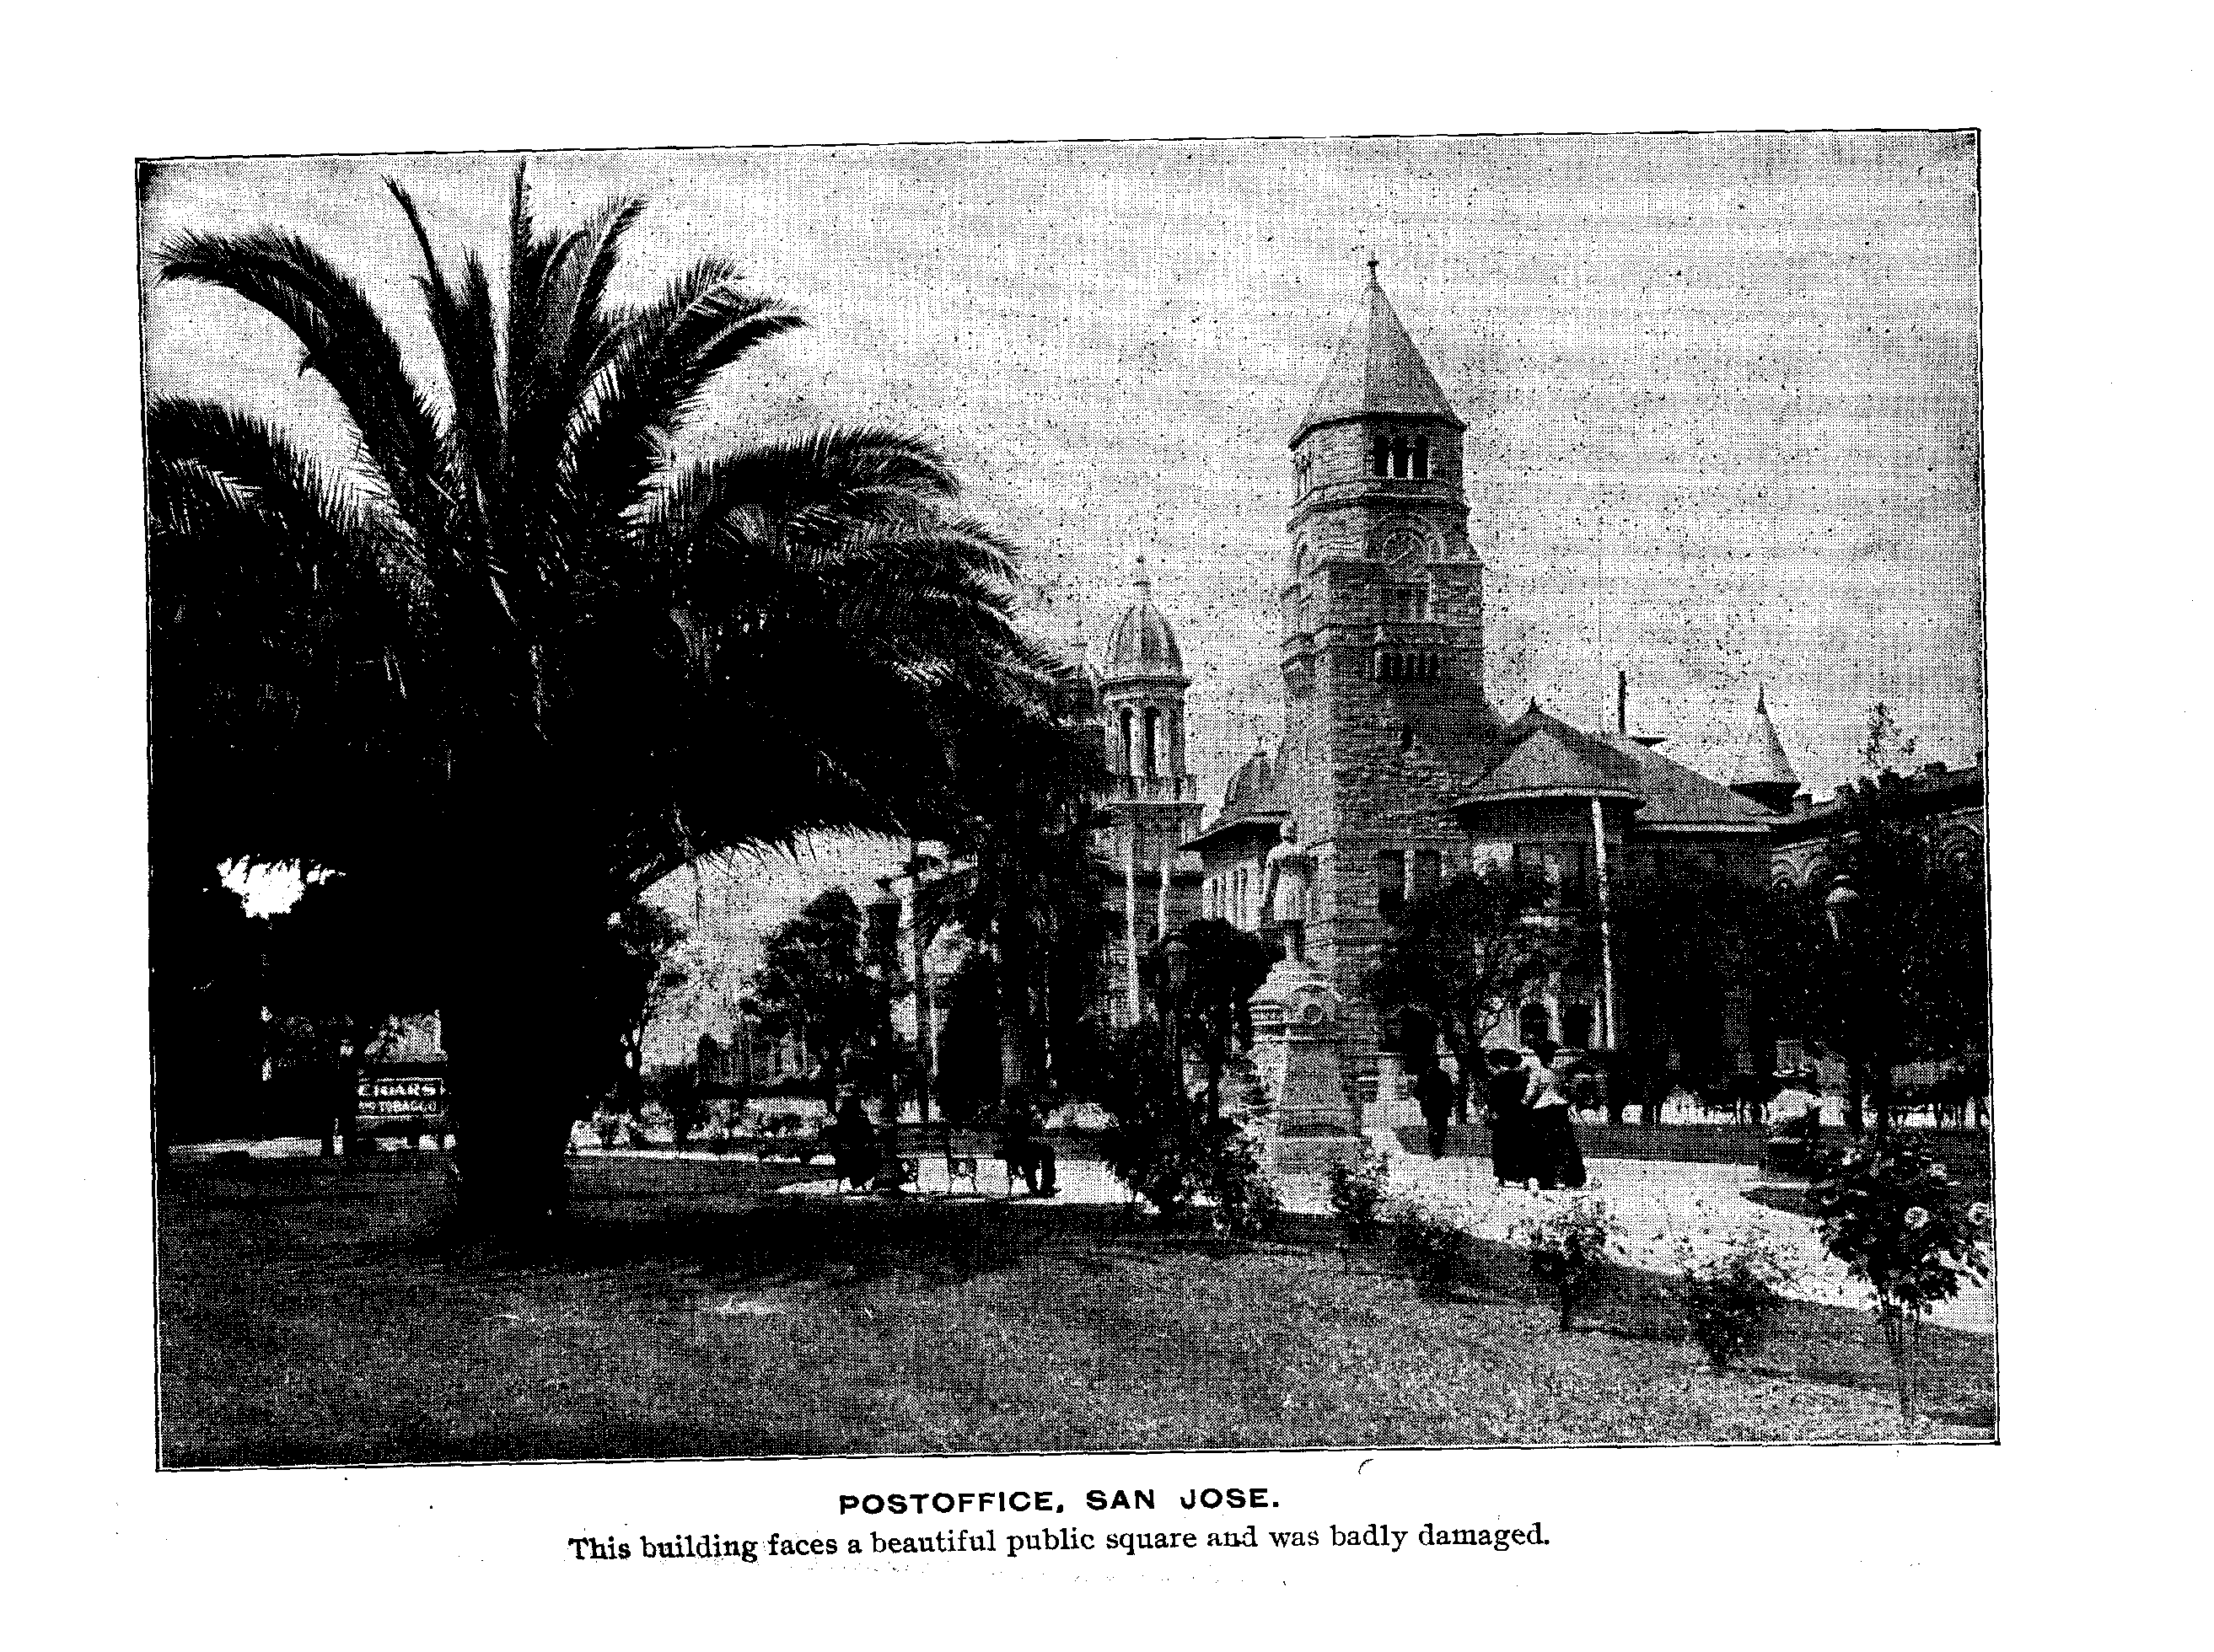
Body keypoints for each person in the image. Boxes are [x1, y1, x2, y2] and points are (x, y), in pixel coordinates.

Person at [1524, 1041, 1588, 1191]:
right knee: (1564, 1144)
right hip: (1559, 1109)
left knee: (1543, 1145)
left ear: (1539, 1056)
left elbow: (1531, 1093)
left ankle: (1547, 1179)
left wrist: (1522, 1105)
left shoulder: (1537, 1073)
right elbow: (1567, 1091)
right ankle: (1571, 1178)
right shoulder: (1558, 1072)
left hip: (1543, 1110)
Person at [998, 1086, 1059, 1198]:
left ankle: (1039, 1187)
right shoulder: (1018, 1113)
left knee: (1042, 1151)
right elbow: (1032, 1129)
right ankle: (1043, 1186)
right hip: (1017, 1148)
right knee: (1043, 1152)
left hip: (1016, 1147)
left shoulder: (1009, 1111)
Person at [1485, 1049, 1531, 1188]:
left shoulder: (1495, 1079)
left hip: (1502, 1116)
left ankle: (1501, 1176)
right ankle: (1523, 1177)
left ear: (1499, 1064)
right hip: (1519, 1114)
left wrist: (1492, 1112)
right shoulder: (1522, 1078)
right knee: (1520, 1145)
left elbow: (1491, 1099)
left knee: (1502, 1146)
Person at [1411, 1054, 1455, 1160]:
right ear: (1438, 1063)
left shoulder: (1424, 1076)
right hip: (1442, 1107)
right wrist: (1450, 1106)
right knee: (1442, 1128)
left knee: (1432, 1127)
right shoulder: (1444, 1076)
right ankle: (1438, 1148)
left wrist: (1424, 1099)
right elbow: (1451, 1093)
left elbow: (1417, 1093)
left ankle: (1434, 1149)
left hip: (1430, 1107)